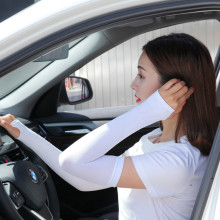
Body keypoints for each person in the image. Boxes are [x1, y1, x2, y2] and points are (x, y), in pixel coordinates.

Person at [0, 33, 218, 220]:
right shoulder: (156, 137)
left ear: (174, 88)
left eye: (141, 75)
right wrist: (24, 134)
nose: (133, 84)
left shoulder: (176, 162)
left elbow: (72, 162)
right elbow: (82, 179)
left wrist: (148, 111)